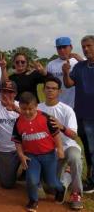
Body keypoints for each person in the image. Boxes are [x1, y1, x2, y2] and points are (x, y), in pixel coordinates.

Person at [12, 92, 66, 212]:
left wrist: (60, 149)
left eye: (30, 109)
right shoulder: (18, 122)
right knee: (31, 179)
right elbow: (17, 141)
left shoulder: (46, 118)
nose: (27, 112)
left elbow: (56, 135)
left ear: (36, 106)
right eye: (24, 109)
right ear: (20, 107)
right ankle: (33, 200)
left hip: (48, 154)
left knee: (50, 181)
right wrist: (21, 155)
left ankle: (61, 188)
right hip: (31, 156)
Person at [38, 77, 83, 210]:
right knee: (51, 189)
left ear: (60, 92)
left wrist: (61, 127)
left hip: (67, 146)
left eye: (54, 88)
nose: (50, 91)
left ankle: (76, 193)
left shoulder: (67, 110)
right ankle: (65, 178)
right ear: (43, 89)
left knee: (75, 157)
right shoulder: (38, 108)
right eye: (48, 88)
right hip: (49, 150)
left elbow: (74, 135)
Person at [63, 35, 94, 193]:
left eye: (89, 45)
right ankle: (90, 176)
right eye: (83, 46)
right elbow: (68, 84)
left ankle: (92, 181)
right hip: (80, 113)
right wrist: (66, 72)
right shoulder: (80, 66)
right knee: (88, 148)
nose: (86, 49)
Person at [0, 80, 20, 189]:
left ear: (15, 93)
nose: (6, 95)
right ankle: (14, 170)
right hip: (5, 150)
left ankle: (34, 179)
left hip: (26, 148)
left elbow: (34, 119)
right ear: (0, 92)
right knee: (7, 184)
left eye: (10, 92)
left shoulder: (22, 107)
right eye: (4, 91)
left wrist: (15, 108)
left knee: (32, 176)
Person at [46, 37, 83, 108]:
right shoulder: (51, 64)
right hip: (57, 104)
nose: (62, 50)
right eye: (59, 48)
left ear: (71, 47)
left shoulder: (79, 61)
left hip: (77, 104)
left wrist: (80, 60)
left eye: (64, 47)